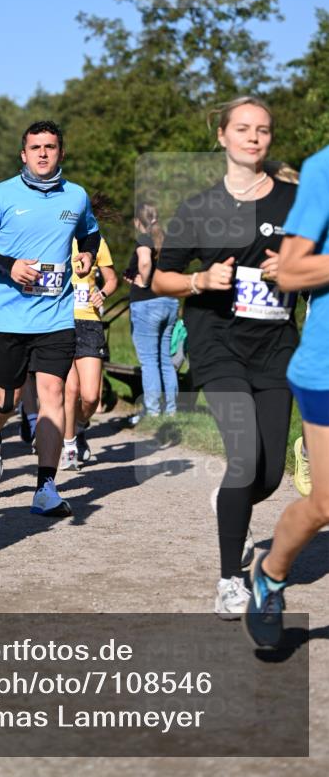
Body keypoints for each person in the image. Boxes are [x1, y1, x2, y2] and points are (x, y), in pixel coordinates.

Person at [153, 97, 300, 620]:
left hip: (277, 347)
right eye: (243, 129)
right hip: (216, 343)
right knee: (243, 460)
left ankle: (231, 504)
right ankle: (229, 579)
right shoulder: (199, 207)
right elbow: (160, 276)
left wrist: (296, 269)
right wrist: (199, 280)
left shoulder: (295, 202)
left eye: (263, 130)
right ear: (222, 136)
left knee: (270, 474)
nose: (254, 137)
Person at [0, 120, 100, 516]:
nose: (43, 153)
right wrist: (8, 267)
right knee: (8, 400)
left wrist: (87, 253)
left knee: (54, 397)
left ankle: (46, 488)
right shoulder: (0, 195)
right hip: (8, 320)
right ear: (23, 154)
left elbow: (90, 232)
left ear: (61, 152)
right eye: (35, 147)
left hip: (56, 317)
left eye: (51, 146)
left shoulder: (75, 196)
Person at [244, 144, 329, 649]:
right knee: (324, 505)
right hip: (326, 366)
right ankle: (270, 575)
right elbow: (293, 271)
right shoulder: (323, 171)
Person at [63, 202, 118, 469]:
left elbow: (111, 279)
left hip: (90, 323)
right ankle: (69, 444)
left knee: (91, 396)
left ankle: (79, 427)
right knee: (70, 389)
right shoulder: (56, 239)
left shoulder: (97, 244)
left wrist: (103, 293)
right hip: (60, 321)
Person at [126, 201, 179, 424]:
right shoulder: (169, 241)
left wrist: (144, 281)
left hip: (147, 305)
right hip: (169, 302)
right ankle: (172, 410)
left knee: (149, 361)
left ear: (138, 221)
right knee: (165, 360)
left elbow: (145, 262)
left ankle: (154, 411)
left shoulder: (144, 239)